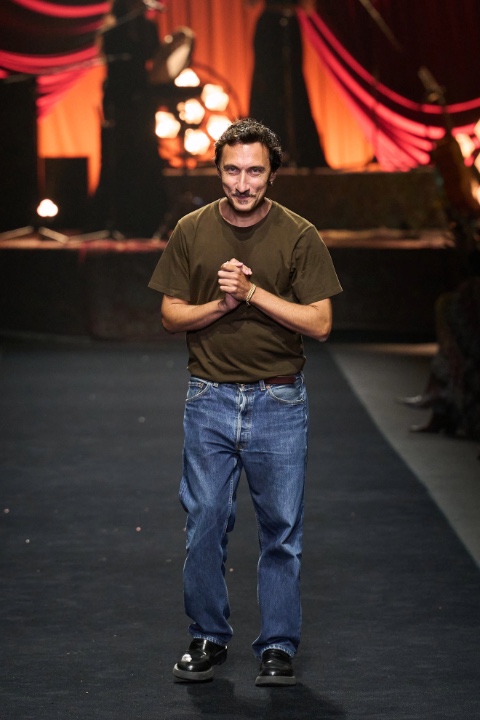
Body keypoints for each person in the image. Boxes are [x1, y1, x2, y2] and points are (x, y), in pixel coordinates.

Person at [148, 118, 342, 686]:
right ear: (218, 171)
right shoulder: (191, 229)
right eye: (232, 170)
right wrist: (222, 305)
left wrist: (253, 292)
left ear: (272, 174)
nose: (242, 182)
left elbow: (321, 323)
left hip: (279, 400)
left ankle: (277, 645)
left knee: (281, 529)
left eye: (254, 171)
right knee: (205, 522)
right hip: (209, 397)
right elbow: (170, 315)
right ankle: (207, 636)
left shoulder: (299, 234)